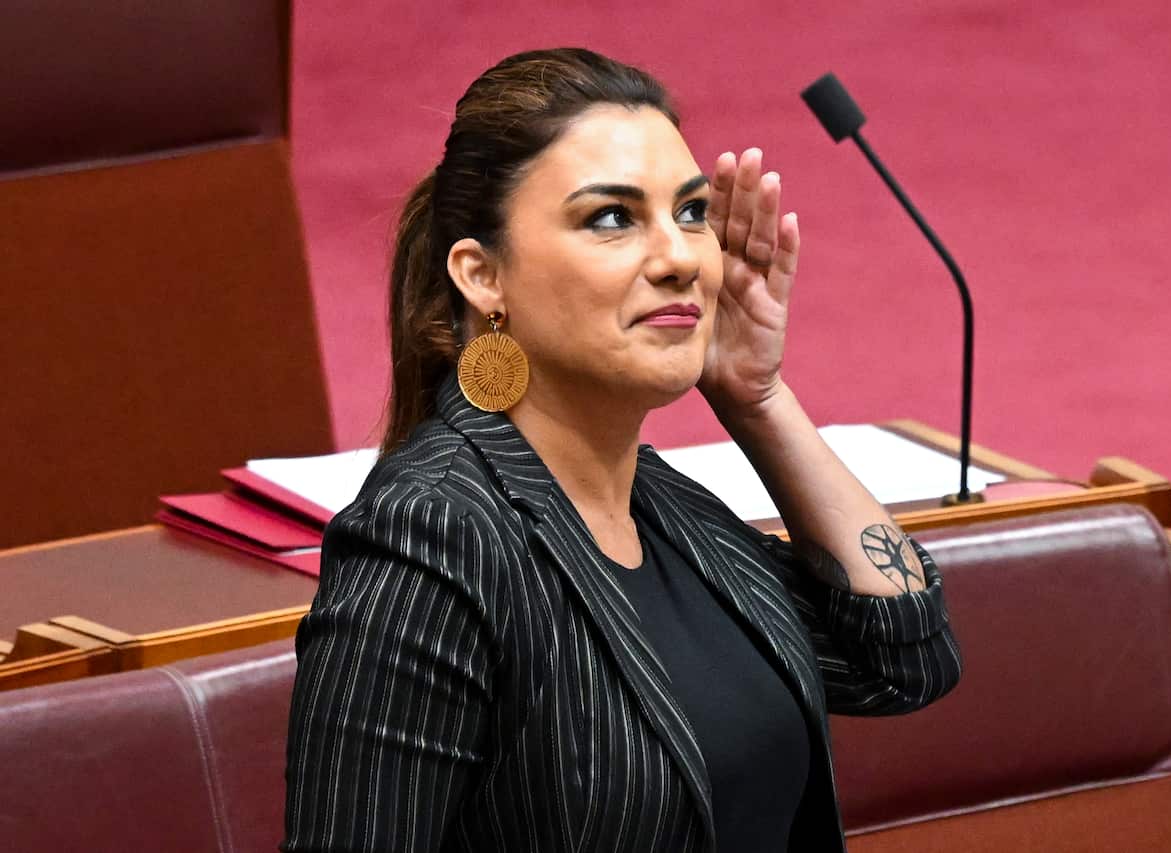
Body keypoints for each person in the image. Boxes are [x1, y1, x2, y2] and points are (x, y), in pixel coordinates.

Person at [283, 47, 961, 853]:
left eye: (691, 214)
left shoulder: (661, 501)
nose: (679, 258)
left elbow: (901, 659)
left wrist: (759, 398)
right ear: (482, 275)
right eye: (611, 217)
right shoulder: (432, 537)